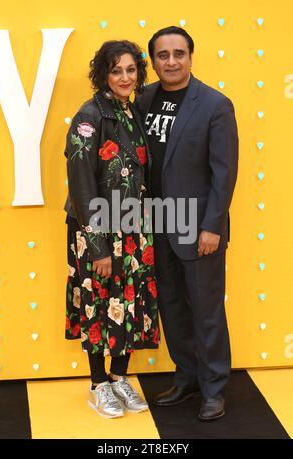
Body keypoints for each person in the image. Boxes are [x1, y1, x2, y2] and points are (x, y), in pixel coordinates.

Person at [135, 26, 238, 420]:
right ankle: (187, 376)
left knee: (207, 309)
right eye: (163, 55)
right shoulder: (143, 98)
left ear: (191, 57)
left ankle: (214, 387)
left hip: (198, 228)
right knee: (172, 305)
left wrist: (212, 226)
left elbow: (224, 173)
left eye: (179, 53)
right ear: (154, 61)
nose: (172, 61)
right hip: (156, 223)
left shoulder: (215, 105)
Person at [63, 40, 159, 419]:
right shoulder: (89, 117)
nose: (124, 77)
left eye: (131, 69)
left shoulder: (130, 110)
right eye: (116, 70)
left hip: (134, 230)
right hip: (98, 233)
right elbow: (82, 185)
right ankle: (98, 384)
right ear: (103, 73)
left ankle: (120, 377)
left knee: (129, 304)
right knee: (98, 305)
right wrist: (99, 246)